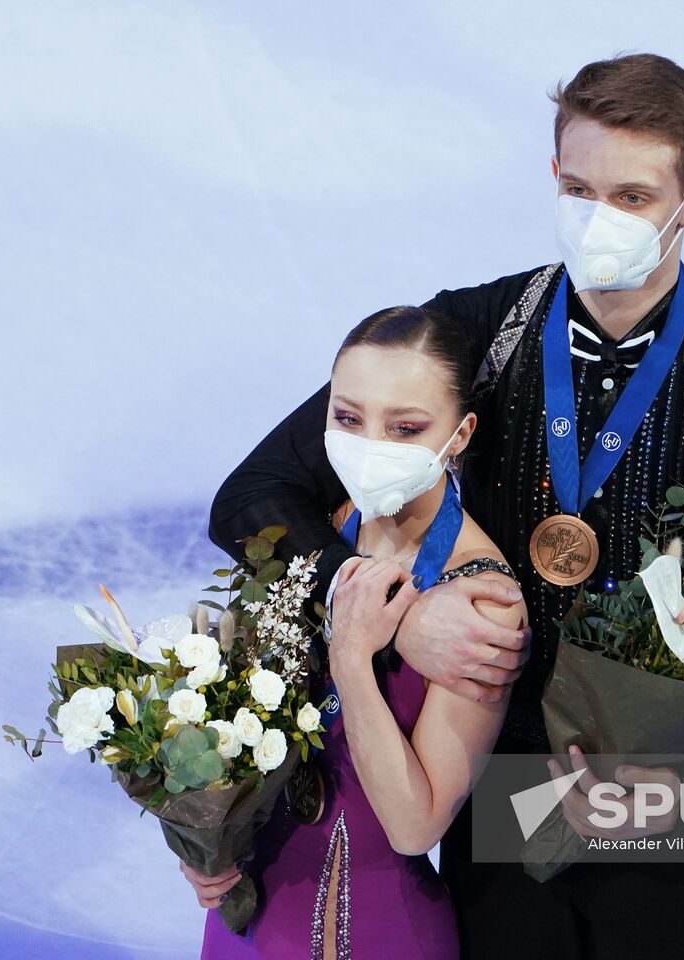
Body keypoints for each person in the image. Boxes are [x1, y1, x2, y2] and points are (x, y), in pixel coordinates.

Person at [209, 53, 684, 959]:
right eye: (577, 186)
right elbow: (254, 500)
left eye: (632, 197)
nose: (599, 216)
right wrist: (391, 616)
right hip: (500, 820)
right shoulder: (471, 336)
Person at [189, 306, 527, 959]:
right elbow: (230, 719)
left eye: (405, 427)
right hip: (245, 916)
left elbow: (414, 824)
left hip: (366, 927)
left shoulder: (484, 602)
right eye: (348, 418)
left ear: (459, 435)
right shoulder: (319, 532)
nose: (371, 444)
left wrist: (350, 654)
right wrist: (203, 841)